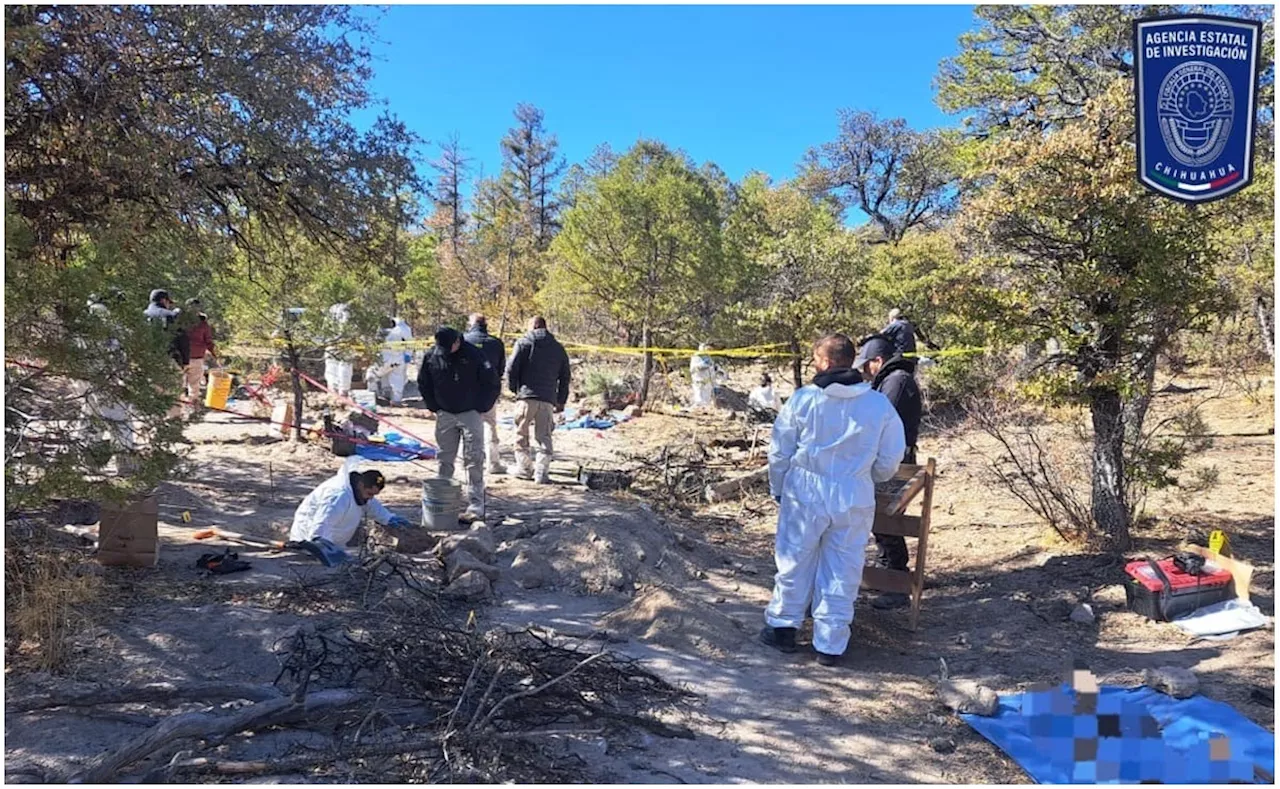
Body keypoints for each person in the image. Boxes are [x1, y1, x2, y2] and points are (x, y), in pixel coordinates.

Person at [760, 333, 905, 667]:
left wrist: (779, 488)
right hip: (853, 493)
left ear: (824, 362)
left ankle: (783, 628)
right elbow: (890, 456)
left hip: (805, 491)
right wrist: (869, 477)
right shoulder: (877, 404)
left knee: (795, 559)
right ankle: (830, 644)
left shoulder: (803, 400)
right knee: (844, 565)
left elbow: (780, 451)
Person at [854, 333, 923, 610]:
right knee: (882, 521)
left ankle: (895, 583)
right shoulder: (894, 380)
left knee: (887, 519)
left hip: (895, 464)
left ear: (878, 361)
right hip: (893, 461)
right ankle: (888, 576)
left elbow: (883, 424)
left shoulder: (895, 382)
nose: (864, 371)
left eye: (866, 365)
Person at [418, 327, 500, 521]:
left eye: (449, 347)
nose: (445, 351)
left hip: (471, 412)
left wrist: (481, 407)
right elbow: (423, 382)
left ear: (457, 341)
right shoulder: (432, 355)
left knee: (474, 459)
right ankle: (443, 504)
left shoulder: (475, 355)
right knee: (444, 459)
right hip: (445, 413)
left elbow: (492, 383)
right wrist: (434, 406)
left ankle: (476, 505)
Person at [289, 465, 412, 564]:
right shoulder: (338, 496)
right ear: (360, 485)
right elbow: (322, 522)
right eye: (369, 493)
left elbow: (372, 505)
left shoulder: (360, 490)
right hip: (310, 539)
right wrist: (319, 546)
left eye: (373, 495)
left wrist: (389, 518)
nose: (370, 498)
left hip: (334, 543)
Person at [505, 316, 570, 484]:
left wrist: (514, 388)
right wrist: (561, 400)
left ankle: (524, 469)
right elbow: (565, 377)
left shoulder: (523, 343)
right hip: (548, 399)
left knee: (521, 434)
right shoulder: (558, 348)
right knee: (544, 436)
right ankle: (541, 473)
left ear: (532, 326)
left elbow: (511, 368)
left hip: (526, 396)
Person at [464, 313, 507, 475]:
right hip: (489, 391)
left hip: (467, 391)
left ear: (472, 324)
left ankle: (469, 461)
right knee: (490, 425)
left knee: (468, 427)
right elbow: (502, 368)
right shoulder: (496, 343)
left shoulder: (463, 341)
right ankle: (493, 462)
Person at [370, 316, 414, 406]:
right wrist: (408, 355)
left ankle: (372, 397)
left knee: (372, 375)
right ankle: (396, 400)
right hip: (399, 359)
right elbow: (409, 343)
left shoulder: (380, 331)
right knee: (397, 379)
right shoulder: (402, 329)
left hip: (384, 359)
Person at [183, 298, 217, 403]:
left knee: (180, 385)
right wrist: (214, 353)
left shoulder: (180, 322)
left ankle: (179, 410)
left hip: (182, 357)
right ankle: (192, 407)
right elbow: (208, 341)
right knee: (194, 385)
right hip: (195, 357)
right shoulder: (203, 324)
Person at [324, 303, 354, 397]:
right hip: (344, 345)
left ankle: (334, 390)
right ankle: (342, 391)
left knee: (332, 367)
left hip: (332, 344)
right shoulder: (347, 317)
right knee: (344, 367)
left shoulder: (330, 318)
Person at [689, 343, 717, 409]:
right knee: (699, 398)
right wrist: (704, 365)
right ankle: (699, 409)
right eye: (708, 348)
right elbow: (695, 368)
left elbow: (711, 370)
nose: (709, 350)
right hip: (699, 381)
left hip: (708, 382)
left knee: (706, 399)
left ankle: (705, 410)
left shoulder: (708, 358)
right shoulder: (696, 357)